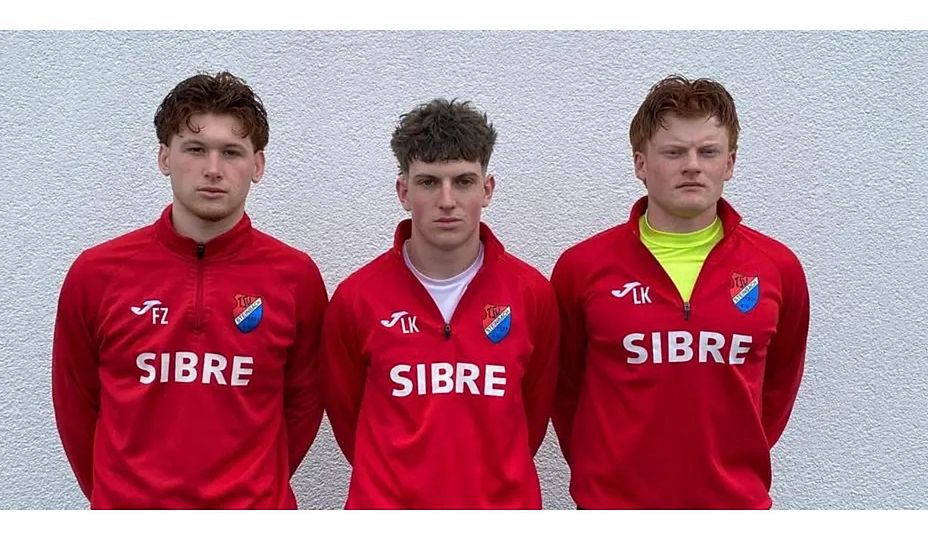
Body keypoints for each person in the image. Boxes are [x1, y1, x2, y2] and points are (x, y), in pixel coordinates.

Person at [51, 71, 327, 509]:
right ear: (164, 157)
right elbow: (75, 407)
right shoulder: (97, 274)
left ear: (257, 165)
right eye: (195, 149)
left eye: (231, 152)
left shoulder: (295, 278)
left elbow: (306, 403)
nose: (213, 170)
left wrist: (252, 489)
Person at [551, 75, 810, 509]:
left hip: (732, 507)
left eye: (707, 151)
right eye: (673, 152)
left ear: (729, 163)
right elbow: (563, 389)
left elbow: (779, 385)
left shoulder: (777, 268)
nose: (692, 165)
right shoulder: (583, 268)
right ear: (640, 164)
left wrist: (729, 459)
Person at [320, 99, 559, 509]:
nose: (447, 200)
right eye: (429, 182)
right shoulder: (357, 297)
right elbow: (347, 415)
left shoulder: (531, 294)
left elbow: (535, 411)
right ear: (403, 191)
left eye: (463, 181)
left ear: (487, 190)